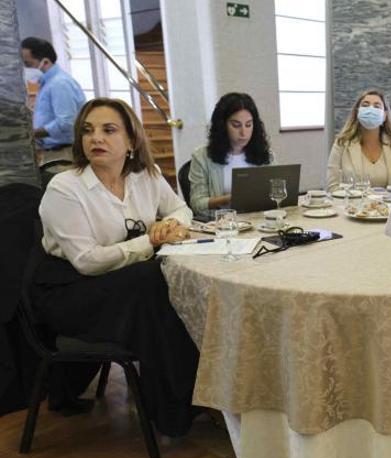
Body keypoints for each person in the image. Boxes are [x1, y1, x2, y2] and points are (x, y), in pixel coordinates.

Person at [30, 98, 200, 437]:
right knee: (152, 280)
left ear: (132, 141)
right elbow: (87, 261)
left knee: (162, 282)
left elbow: (182, 209)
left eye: (109, 130)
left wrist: (168, 225)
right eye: (88, 131)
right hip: (68, 292)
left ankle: (179, 400)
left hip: (122, 284)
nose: (96, 139)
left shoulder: (145, 176)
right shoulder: (65, 188)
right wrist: (150, 241)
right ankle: (177, 405)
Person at [188, 93, 273, 215]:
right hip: (222, 227)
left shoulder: (266, 155)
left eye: (248, 125)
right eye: (236, 125)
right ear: (222, 125)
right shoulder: (201, 157)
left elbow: (277, 194)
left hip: (259, 224)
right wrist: (229, 199)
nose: (244, 132)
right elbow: (197, 204)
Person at [326, 90, 391, 191]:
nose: (370, 109)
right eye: (365, 105)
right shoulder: (341, 143)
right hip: (353, 205)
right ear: (357, 112)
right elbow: (332, 187)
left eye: (377, 106)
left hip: (390, 205)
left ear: (385, 115)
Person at [20, 37, 86, 167]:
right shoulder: (47, 84)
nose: (25, 69)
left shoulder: (59, 84)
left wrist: (33, 133)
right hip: (53, 153)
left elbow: (66, 123)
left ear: (45, 62)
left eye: (28, 64)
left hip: (64, 153)